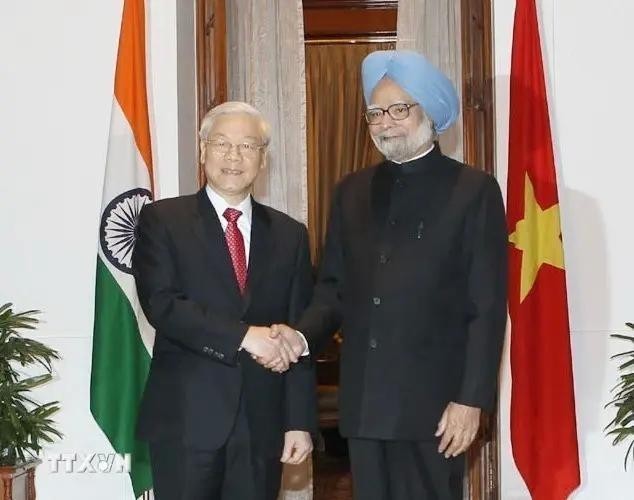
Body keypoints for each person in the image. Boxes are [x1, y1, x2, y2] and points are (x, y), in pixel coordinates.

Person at [268, 50, 508, 499]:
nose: (386, 122)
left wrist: (471, 399)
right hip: (365, 403)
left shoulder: (474, 191)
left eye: (399, 108)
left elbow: (487, 307)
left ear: (430, 113)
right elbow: (333, 290)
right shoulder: (351, 192)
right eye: (375, 112)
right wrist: (300, 338)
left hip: (436, 407)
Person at [132, 101, 316, 500]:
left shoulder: (290, 235)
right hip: (186, 420)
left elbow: (299, 333)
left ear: (262, 159)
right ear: (203, 151)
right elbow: (161, 304)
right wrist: (244, 336)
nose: (234, 156)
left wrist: (298, 421)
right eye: (222, 144)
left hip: (262, 425)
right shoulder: (163, 221)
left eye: (248, 146)